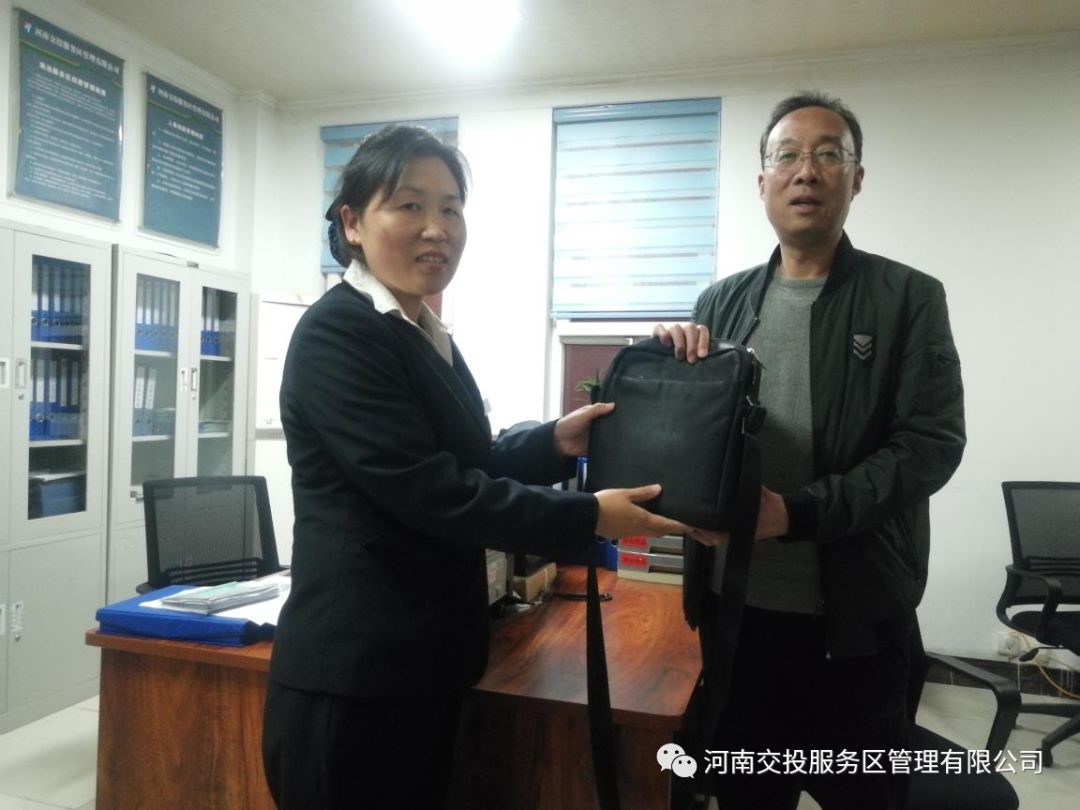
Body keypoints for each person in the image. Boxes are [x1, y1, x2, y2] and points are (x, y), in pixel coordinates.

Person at [262, 124, 688, 809]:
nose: (436, 228)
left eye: (451, 208)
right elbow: (433, 492)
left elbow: (471, 460)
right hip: (354, 680)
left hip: (420, 666)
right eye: (409, 205)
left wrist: (557, 441)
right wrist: (588, 515)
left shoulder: (421, 331)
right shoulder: (339, 332)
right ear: (352, 223)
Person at [656, 91, 965, 809]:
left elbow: (930, 445)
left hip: (856, 621)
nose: (807, 171)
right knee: (746, 795)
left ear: (857, 179)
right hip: (737, 614)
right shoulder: (720, 303)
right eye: (788, 155)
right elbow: (696, 440)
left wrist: (795, 514)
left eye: (829, 154)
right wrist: (666, 382)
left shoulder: (908, 298)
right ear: (761, 180)